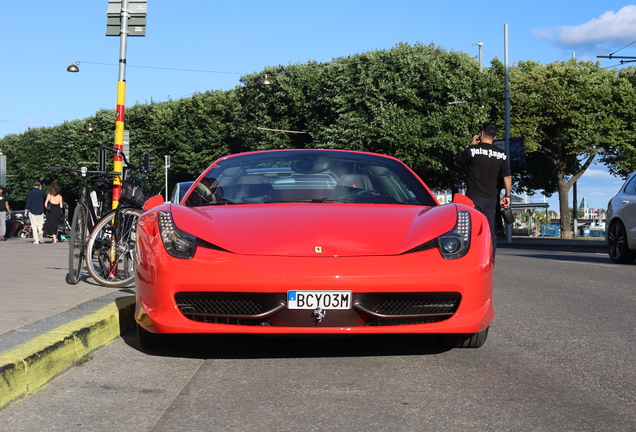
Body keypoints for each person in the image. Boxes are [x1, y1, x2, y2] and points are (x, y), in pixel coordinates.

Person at [454, 122, 512, 253]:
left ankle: (472, 259)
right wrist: (507, 195)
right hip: (491, 199)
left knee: (472, 231)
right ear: (495, 137)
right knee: (489, 232)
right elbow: (507, 177)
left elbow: (457, 162)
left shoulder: (472, 150)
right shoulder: (501, 154)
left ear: (482, 133)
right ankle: (490, 259)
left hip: (473, 198)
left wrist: (470, 144)